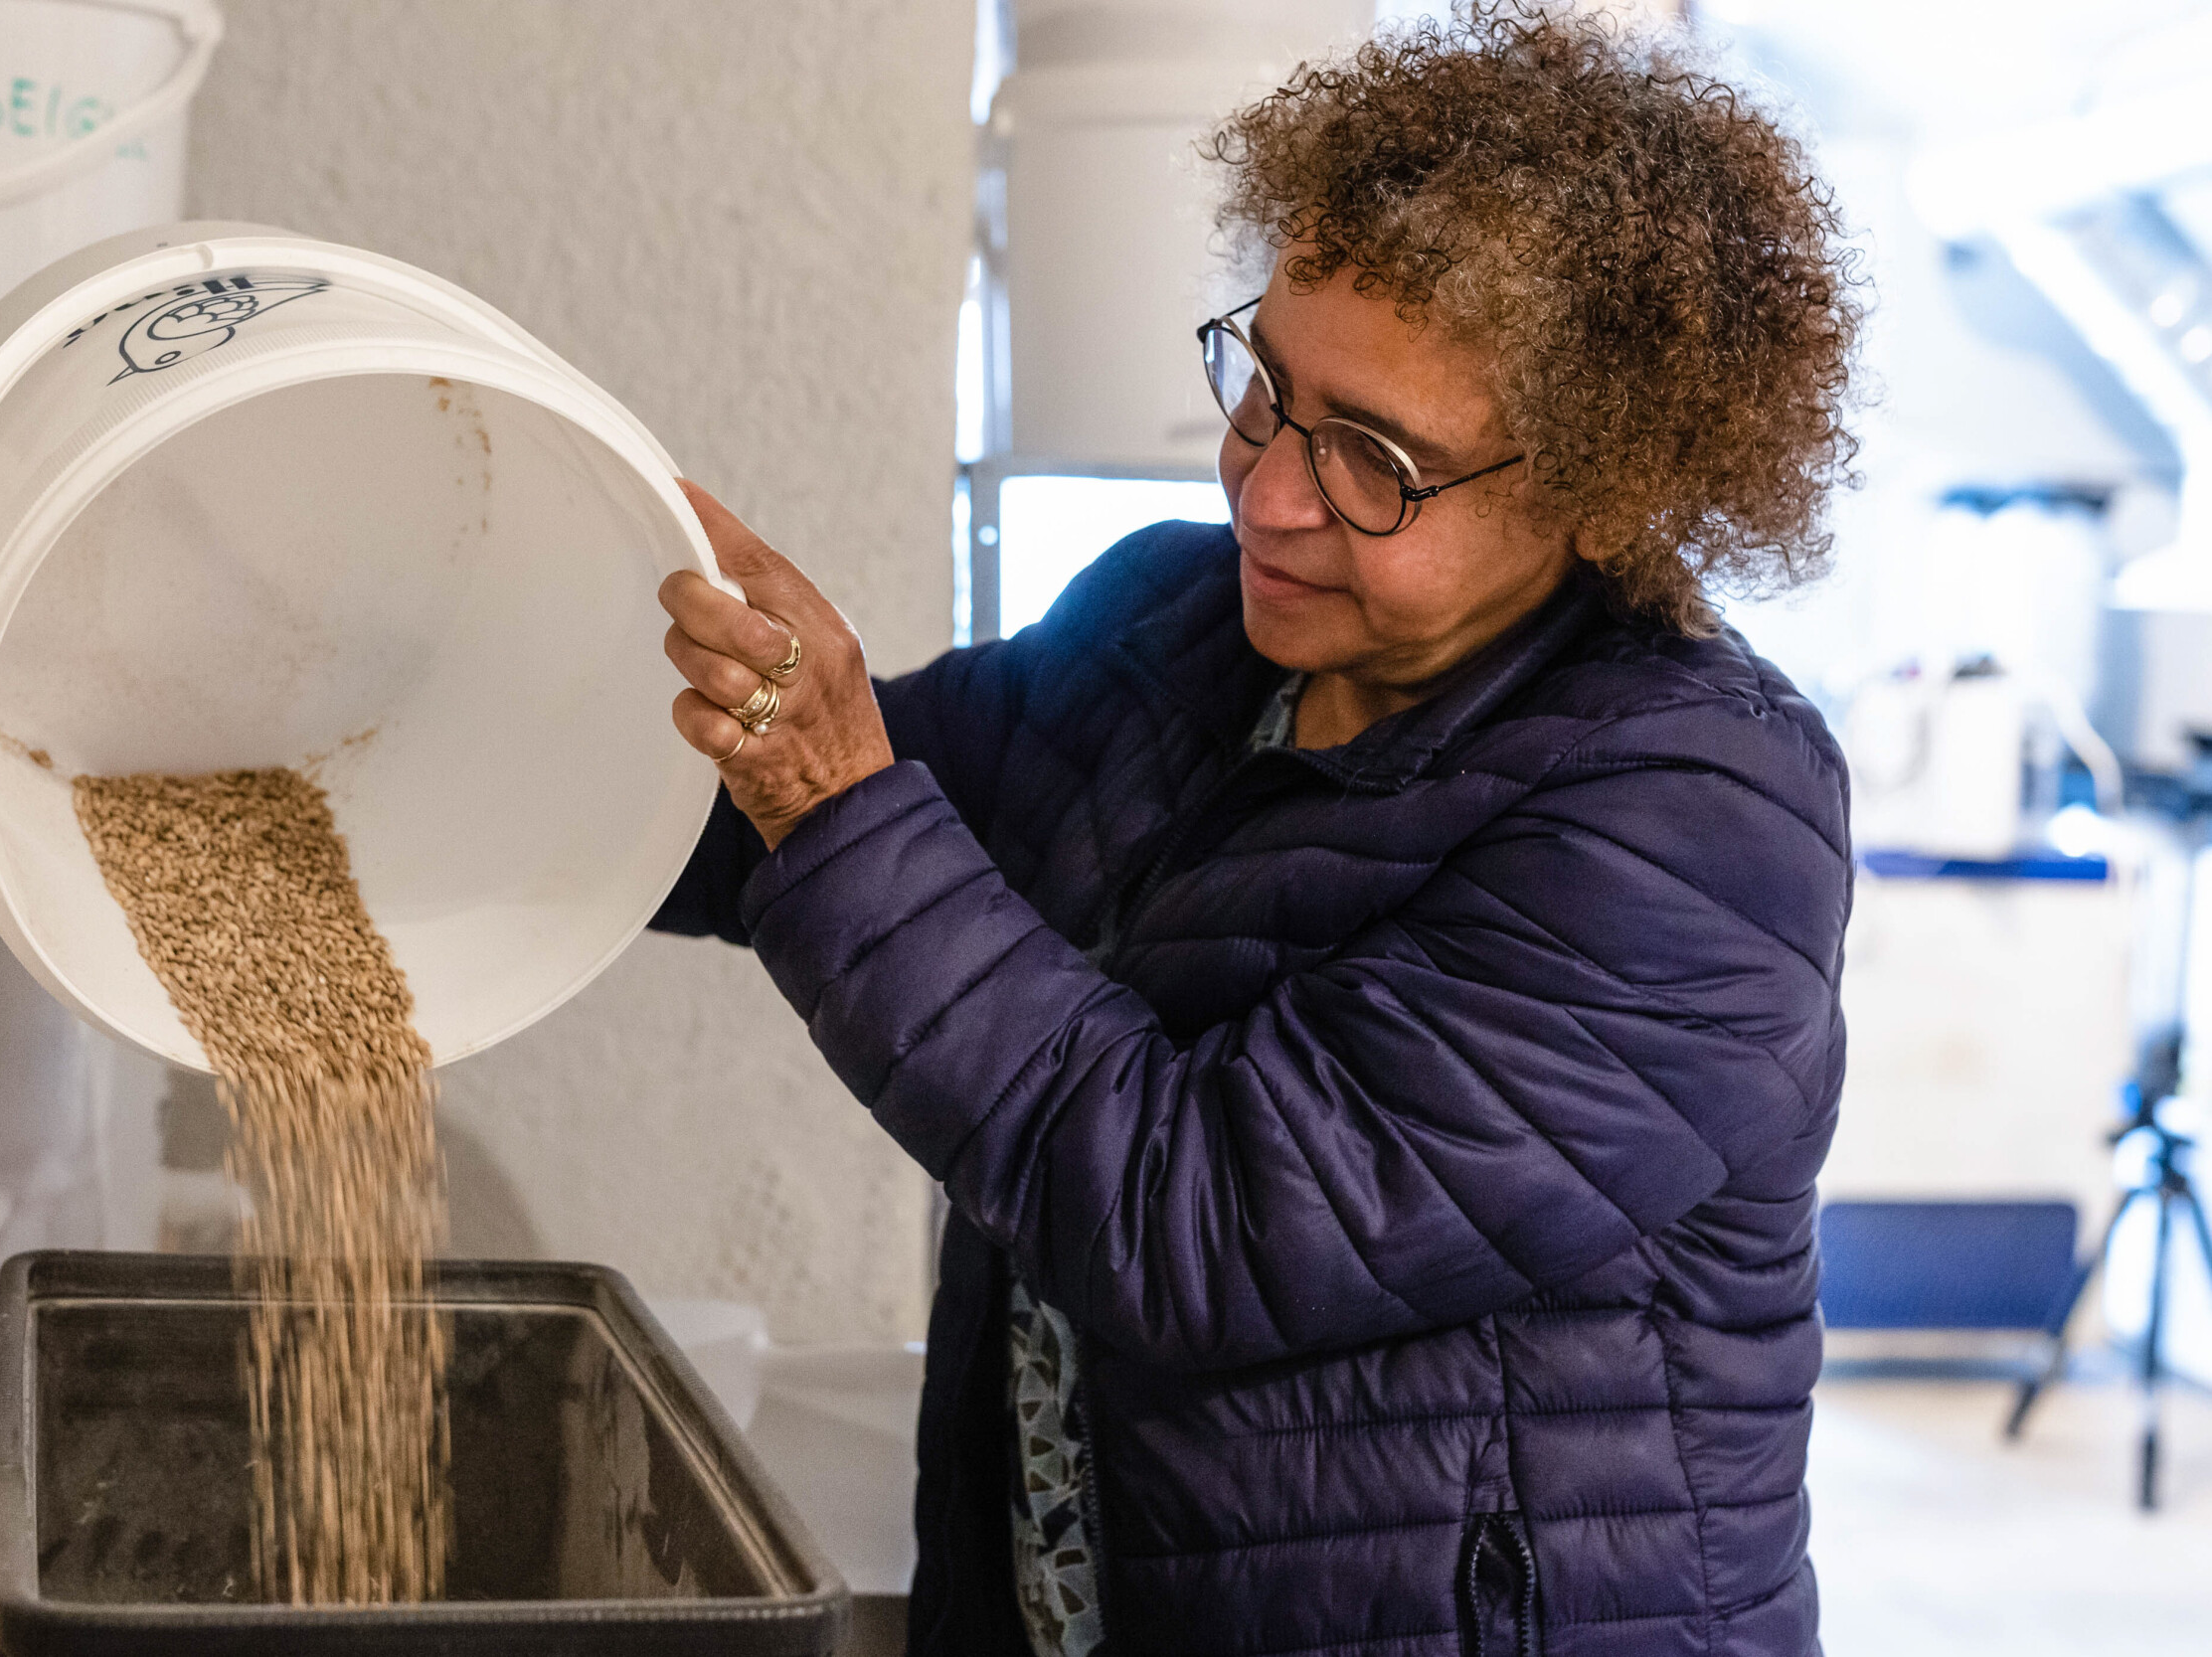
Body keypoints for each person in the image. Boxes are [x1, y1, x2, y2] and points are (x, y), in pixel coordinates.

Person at [651, 5, 1860, 1653]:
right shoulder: (1172, 631)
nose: (1268, 490)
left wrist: (831, 796)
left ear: (1602, 495)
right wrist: (408, 752)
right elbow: (776, 822)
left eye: (1374, 458)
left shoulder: (1697, 822)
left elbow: (1197, 1222)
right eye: (1267, 391)